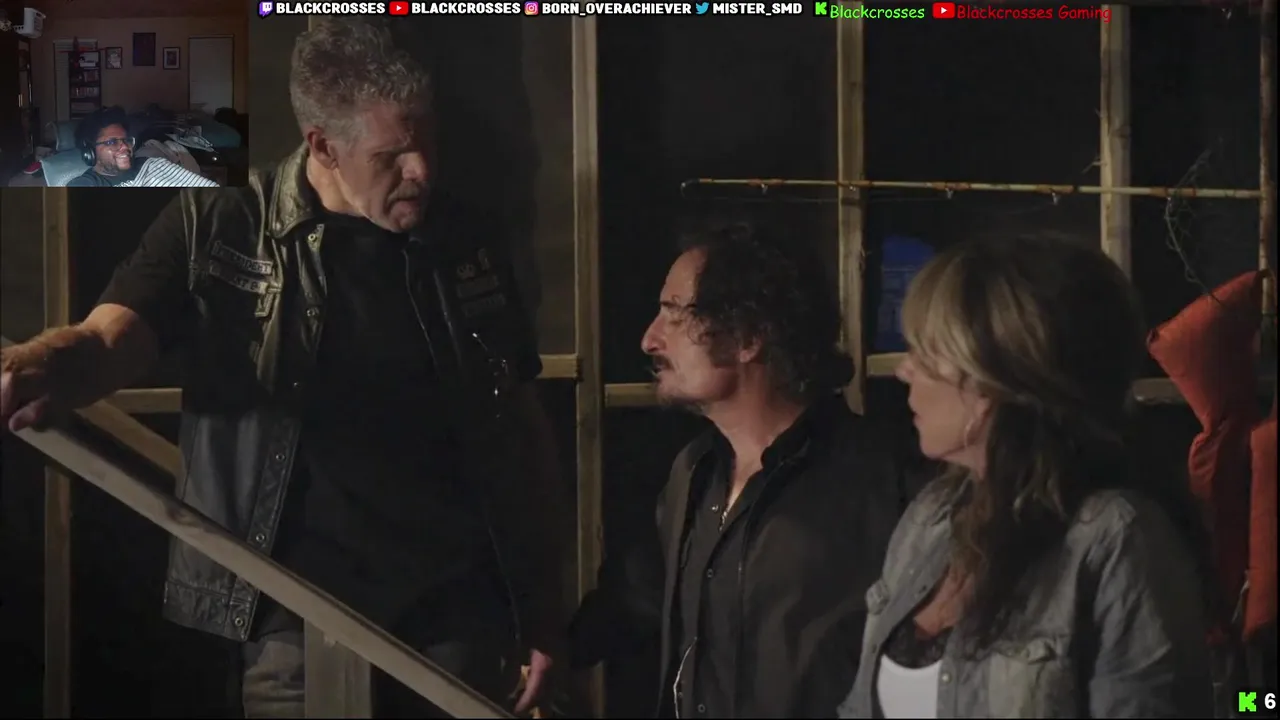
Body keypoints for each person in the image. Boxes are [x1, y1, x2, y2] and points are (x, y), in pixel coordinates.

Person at [0, 17, 568, 718]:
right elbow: (108, 341)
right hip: (291, 621)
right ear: (322, 145)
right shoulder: (222, 224)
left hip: (454, 616)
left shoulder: (464, 241)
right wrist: (40, 364)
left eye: (428, 142)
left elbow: (519, 425)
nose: (421, 170)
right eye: (392, 155)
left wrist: (543, 605)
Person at [836, 234, 1216, 718]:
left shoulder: (1117, 539)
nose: (905, 371)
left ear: (995, 380)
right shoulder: (930, 518)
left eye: (927, 353)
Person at [568, 223, 917, 718]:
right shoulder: (695, 471)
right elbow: (637, 596)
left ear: (748, 336)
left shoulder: (882, 480)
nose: (649, 339)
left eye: (675, 313)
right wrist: (548, 650)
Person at [66, 105, 217, 188]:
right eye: (112, 142)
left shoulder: (151, 165)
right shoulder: (84, 184)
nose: (125, 147)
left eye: (126, 140)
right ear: (90, 152)